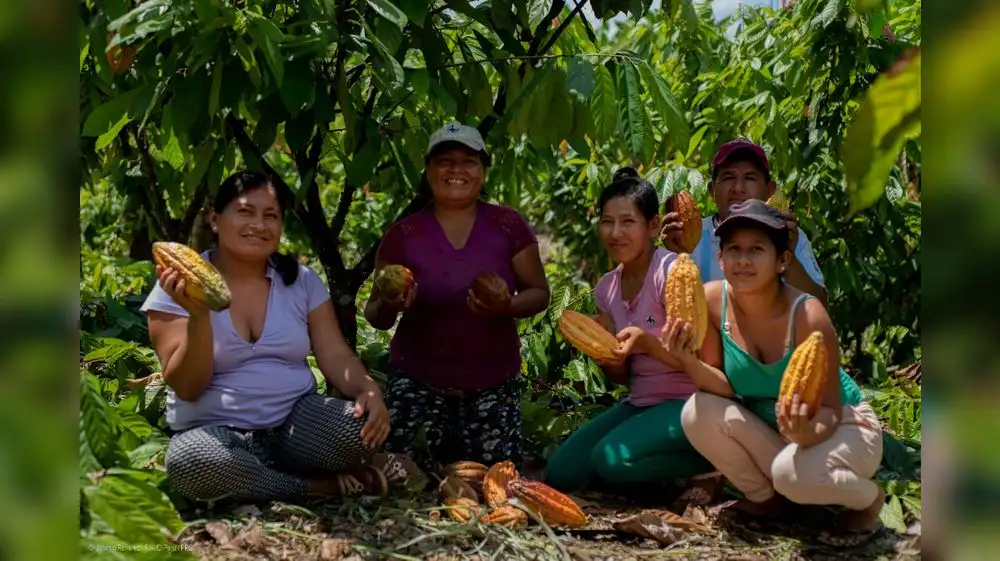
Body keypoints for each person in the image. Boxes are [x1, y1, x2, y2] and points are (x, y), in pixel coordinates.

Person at [142, 170, 416, 504]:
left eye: (271, 215)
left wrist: (368, 390)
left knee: (357, 431)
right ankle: (317, 487)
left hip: (295, 425)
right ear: (215, 219)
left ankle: (265, 479)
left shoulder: (301, 281)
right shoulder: (178, 286)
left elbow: (335, 355)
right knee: (192, 463)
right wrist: (199, 316)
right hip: (215, 433)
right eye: (245, 212)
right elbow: (187, 387)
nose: (259, 225)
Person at [659, 199, 884, 539]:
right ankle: (766, 500)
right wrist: (688, 361)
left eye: (757, 249)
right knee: (697, 411)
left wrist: (805, 434)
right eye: (734, 249)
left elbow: (830, 409)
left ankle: (869, 499)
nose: (743, 260)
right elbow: (721, 386)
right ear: (720, 259)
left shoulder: (807, 315)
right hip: (777, 428)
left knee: (792, 476)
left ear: (782, 261)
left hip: (840, 426)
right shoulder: (712, 300)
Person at [363, 122, 550, 473]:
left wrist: (507, 305)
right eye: (445, 161)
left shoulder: (508, 225)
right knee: (404, 474)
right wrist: (391, 302)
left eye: (468, 161)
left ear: (483, 171)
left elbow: (539, 293)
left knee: (494, 477)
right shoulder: (404, 234)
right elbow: (375, 314)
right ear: (428, 169)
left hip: (492, 382)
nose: (456, 170)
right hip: (418, 381)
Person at [544, 168, 713, 494]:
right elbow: (624, 377)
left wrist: (645, 342)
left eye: (628, 222)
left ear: (653, 226)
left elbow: (700, 358)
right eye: (607, 221)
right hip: (640, 402)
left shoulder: (673, 272)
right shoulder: (606, 288)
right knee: (562, 473)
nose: (615, 233)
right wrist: (606, 355)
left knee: (610, 460)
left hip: (690, 401)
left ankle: (711, 466)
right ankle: (654, 468)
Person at [661, 138, 828, 305]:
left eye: (750, 178)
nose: (738, 188)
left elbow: (819, 304)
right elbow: (665, 307)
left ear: (770, 190)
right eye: (728, 177)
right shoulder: (689, 237)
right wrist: (673, 257)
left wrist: (787, 257)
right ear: (712, 191)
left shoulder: (789, 237)